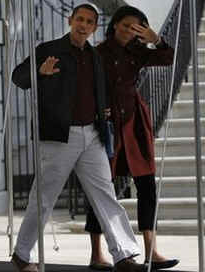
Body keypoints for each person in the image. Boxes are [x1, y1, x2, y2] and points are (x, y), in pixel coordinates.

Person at [10, 4, 147, 272]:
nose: (83, 25)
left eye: (89, 22)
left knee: (106, 195)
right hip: (58, 136)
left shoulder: (95, 55)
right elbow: (19, 78)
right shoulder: (48, 50)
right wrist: (40, 73)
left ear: (95, 27)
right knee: (44, 198)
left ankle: (124, 255)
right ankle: (22, 255)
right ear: (71, 20)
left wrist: (102, 109)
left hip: (91, 134)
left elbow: (96, 90)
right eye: (79, 19)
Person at [85, 5, 179, 271]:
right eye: (125, 25)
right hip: (108, 125)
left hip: (135, 122)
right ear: (115, 25)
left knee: (147, 184)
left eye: (135, 27)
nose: (129, 31)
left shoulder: (138, 52)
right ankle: (96, 253)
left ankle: (152, 250)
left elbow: (169, 57)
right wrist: (96, 109)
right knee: (103, 187)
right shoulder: (97, 53)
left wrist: (156, 39)